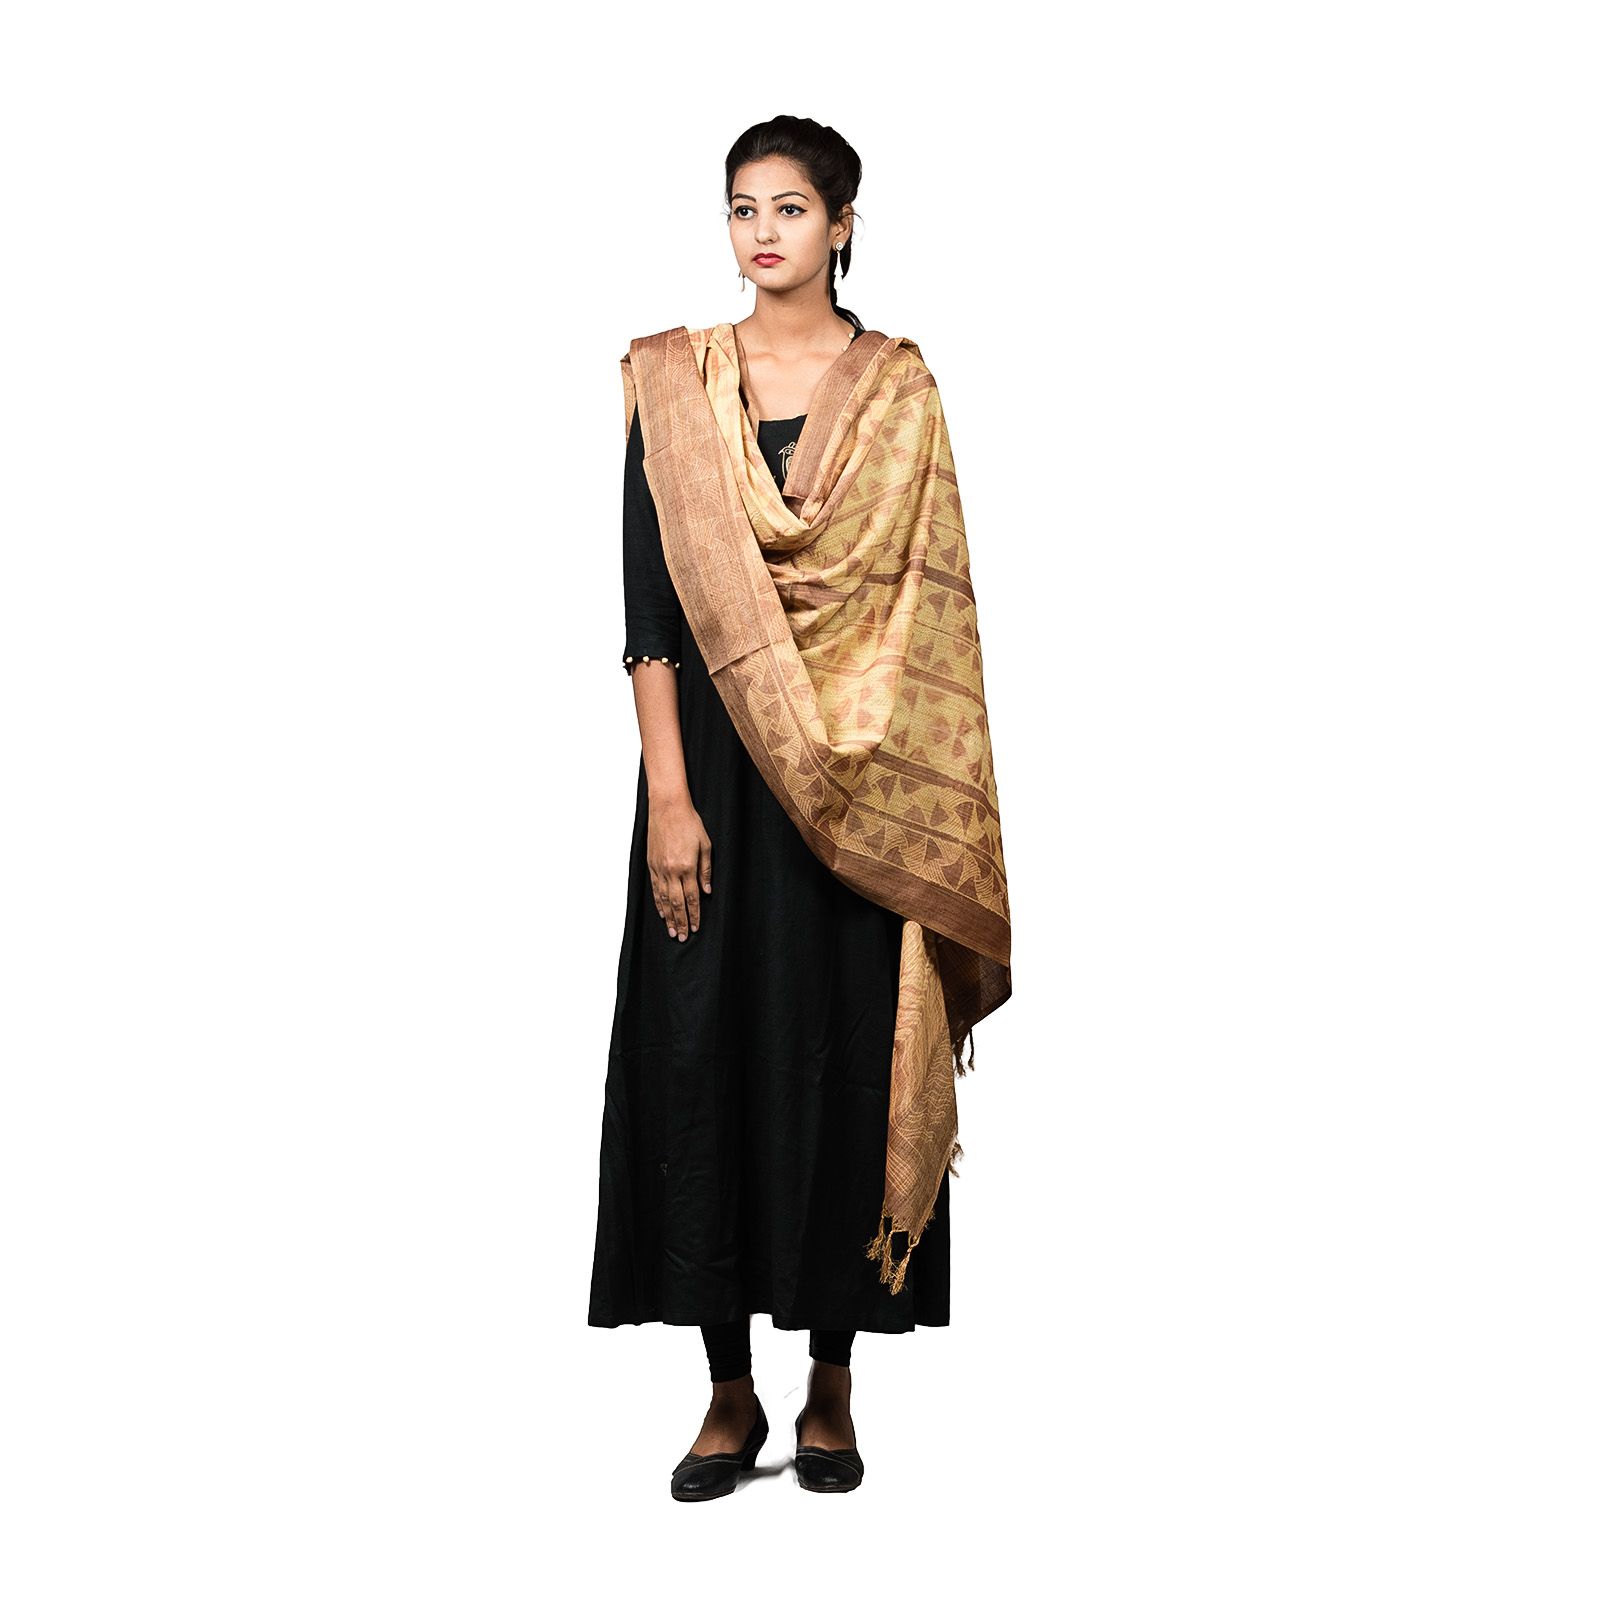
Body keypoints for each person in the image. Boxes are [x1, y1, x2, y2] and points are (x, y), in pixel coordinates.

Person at [587, 114, 1012, 1501]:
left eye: (788, 208)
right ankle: (727, 1392)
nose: (761, 232)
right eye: (741, 208)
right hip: (711, 773)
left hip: (862, 785)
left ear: (841, 225)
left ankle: (832, 1378)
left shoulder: (899, 392)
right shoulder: (673, 383)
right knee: (698, 1057)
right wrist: (668, 797)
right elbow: (651, 610)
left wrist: (879, 783)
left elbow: (925, 610)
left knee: (842, 1055)